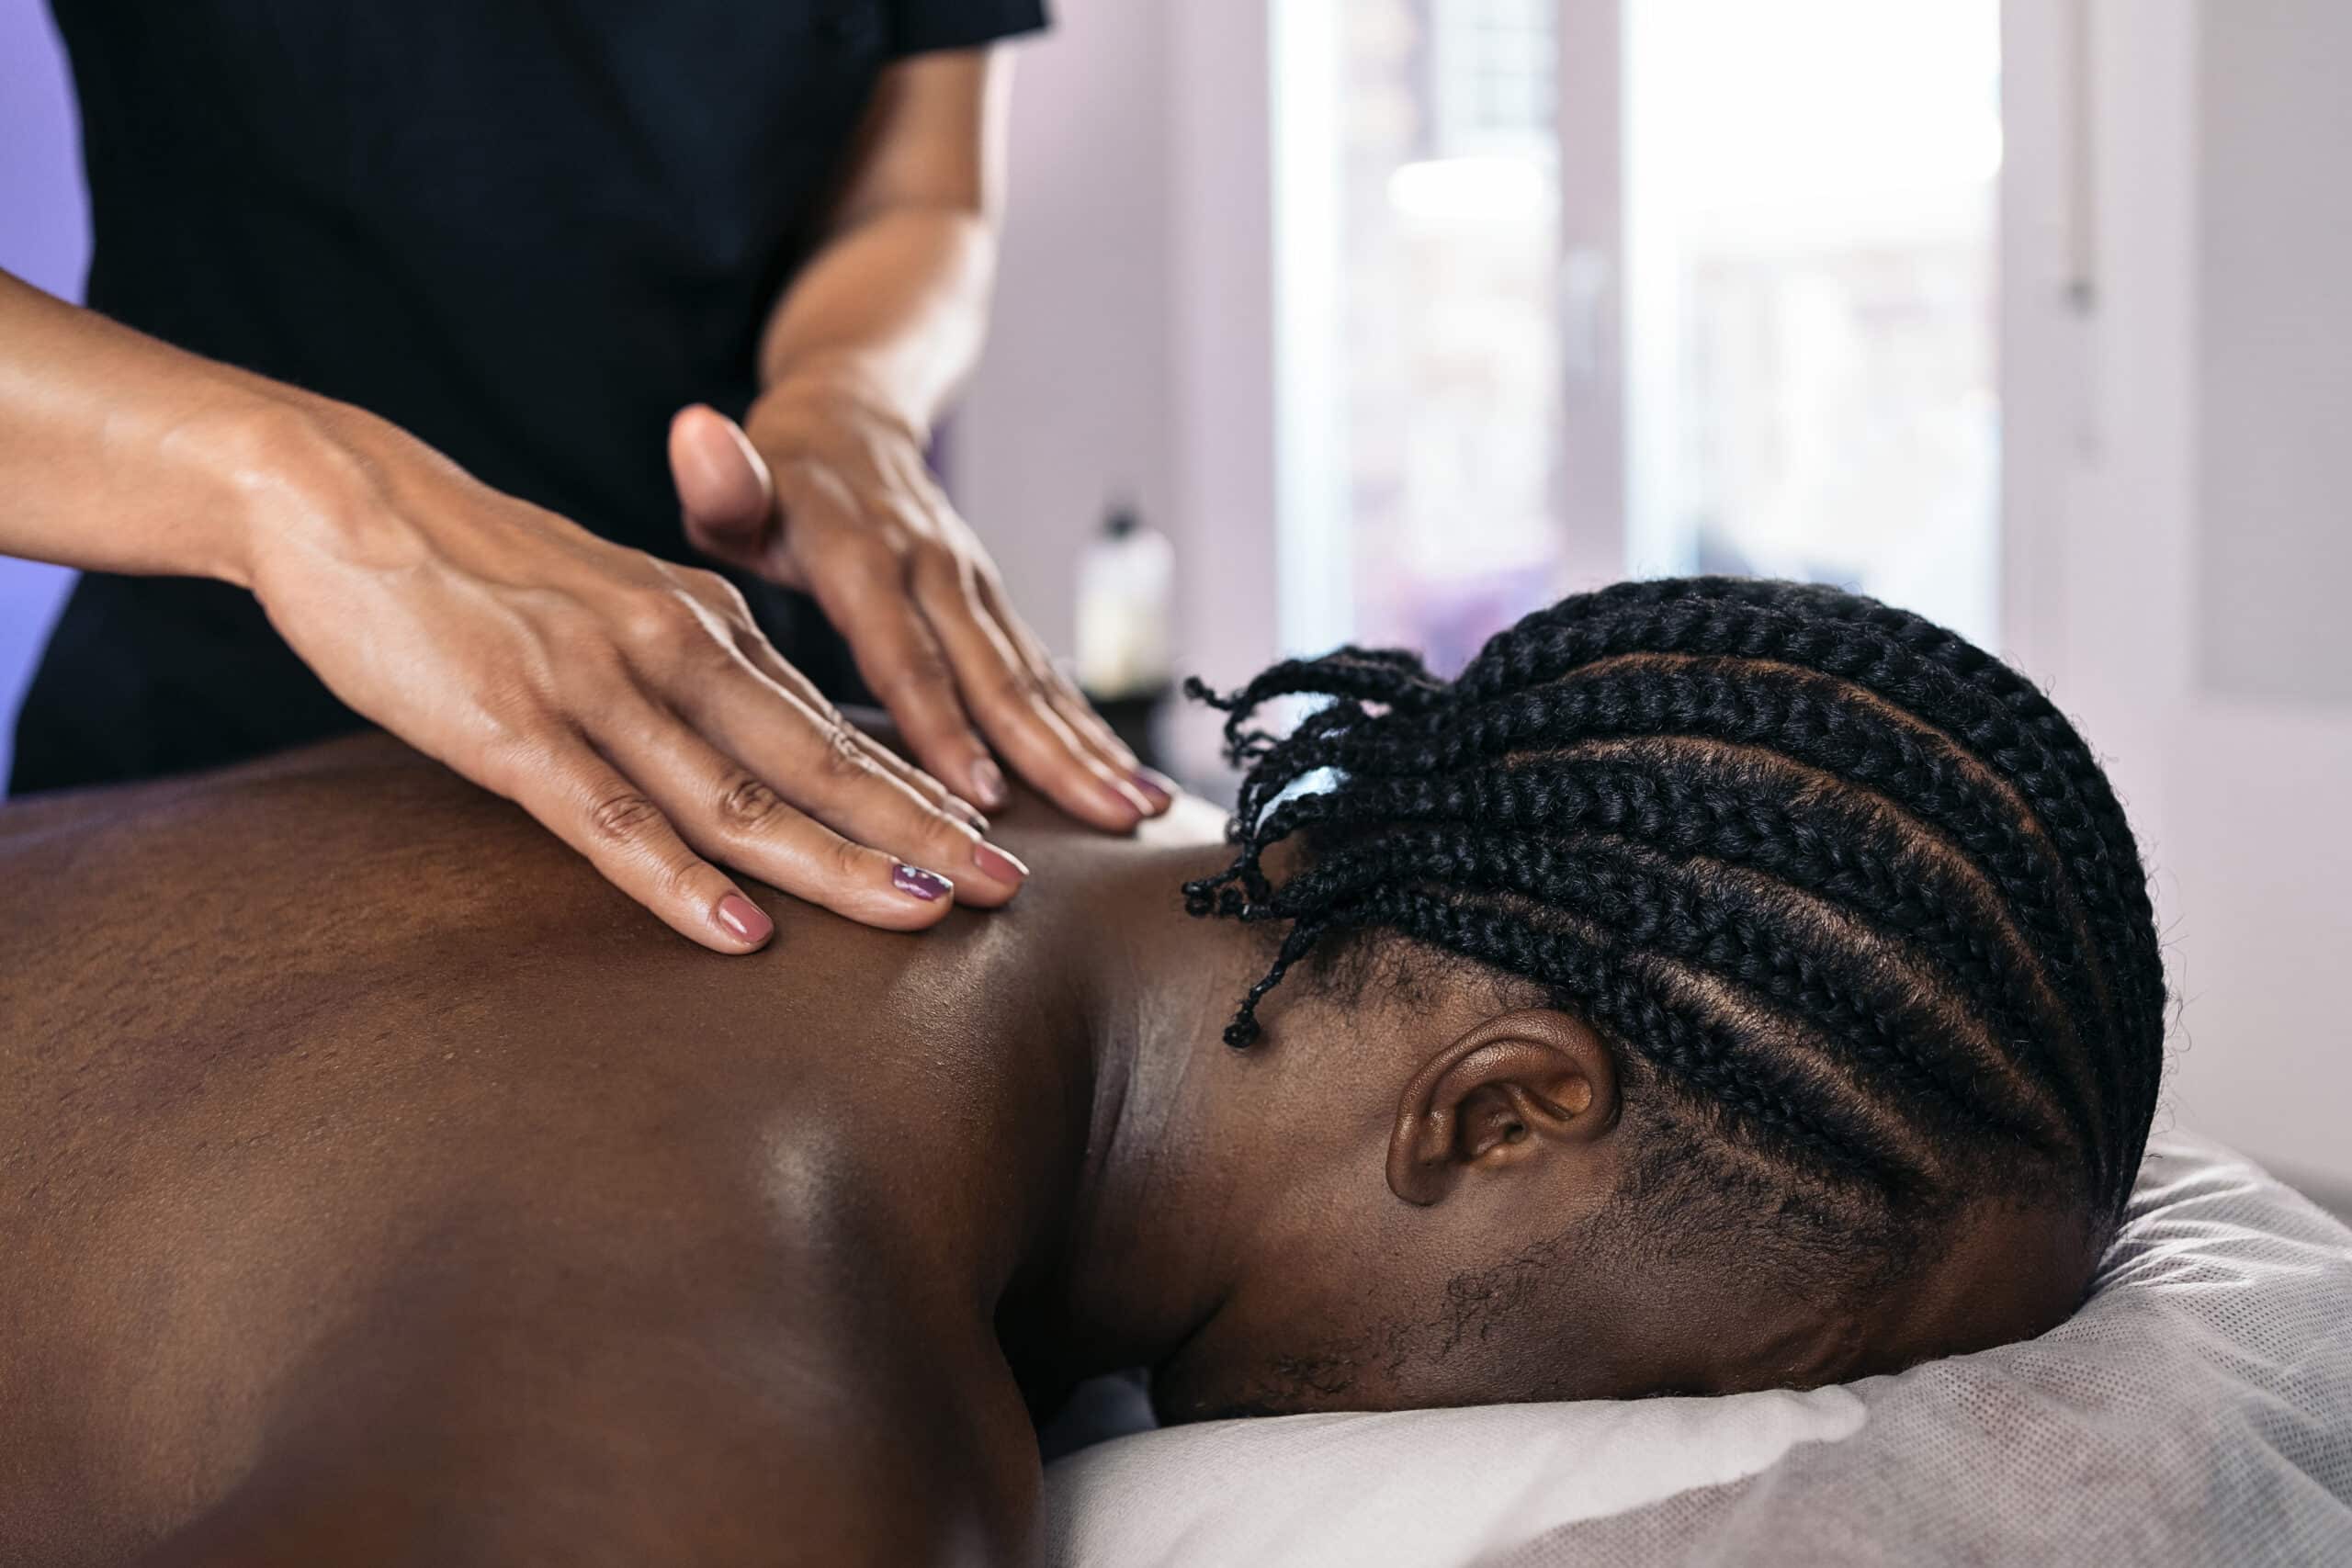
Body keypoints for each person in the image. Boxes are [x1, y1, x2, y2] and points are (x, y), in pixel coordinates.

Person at [0, 579, 2166, 1566]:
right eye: (1729, 1380)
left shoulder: (855, 769)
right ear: (1493, 1106)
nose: (1736, 1439)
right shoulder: (740, 1402)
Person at [0, 0, 1173, 956]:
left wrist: (843, 399)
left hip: (732, 702)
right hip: (206, 750)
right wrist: (299, 492)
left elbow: (915, 194)